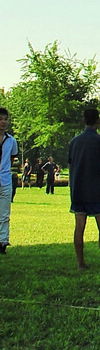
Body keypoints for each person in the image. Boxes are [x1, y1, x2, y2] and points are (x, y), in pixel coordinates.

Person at [68, 107, 100, 270]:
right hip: (96, 189)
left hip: (78, 188)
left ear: (84, 120)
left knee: (79, 226)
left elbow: (70, 161)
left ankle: (80, 263)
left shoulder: (74, 141)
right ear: (98, 121)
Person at [0, 108, 19, 255]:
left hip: (5, 179)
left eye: (5, 119)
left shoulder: (11, 140)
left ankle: (3, 242)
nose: (3, 122)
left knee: (5, 213)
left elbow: (12, 158)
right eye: (0, 119)